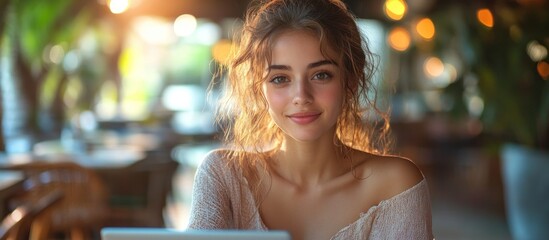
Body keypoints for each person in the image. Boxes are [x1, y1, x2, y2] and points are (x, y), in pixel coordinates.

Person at [188, 0, 433, 239]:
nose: (301, 96)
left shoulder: (395, 185)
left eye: (321, 75)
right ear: (258, 87)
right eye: (280, 78)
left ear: (351, 79)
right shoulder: (223, 175)